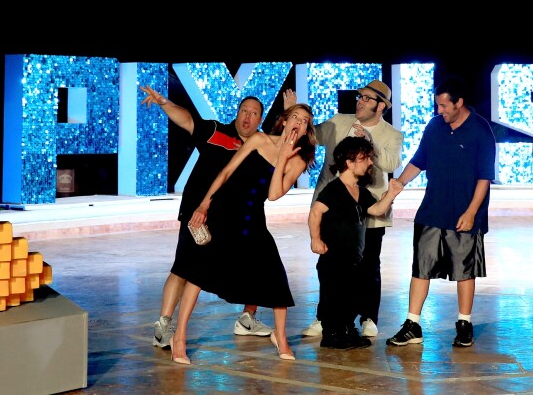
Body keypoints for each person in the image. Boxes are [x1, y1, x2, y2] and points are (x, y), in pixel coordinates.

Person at [169, 104, 317, 364]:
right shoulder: (259, 139)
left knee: (275, 278)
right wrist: (204, 204)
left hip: (252, 220)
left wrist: (282, 157)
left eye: (304, 121)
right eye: (294, 116)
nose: (298, 122)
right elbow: (225, 172)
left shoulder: (299, 158)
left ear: (306, 130)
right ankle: (178, 338)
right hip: (223, 212)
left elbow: (272, 195)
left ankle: (280, 338)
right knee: (197, 273)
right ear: (283, 121)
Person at [139, 86, 274, 351]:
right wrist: (164, 102)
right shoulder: (216, 132)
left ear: (260, 119)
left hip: (237, 217)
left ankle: (248, 318)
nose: (247, 117)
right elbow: (187, 119)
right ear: (236, 114)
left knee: (257, 262)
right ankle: (164, 325)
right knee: (184, 268)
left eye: (254, 113)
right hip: (199, 214)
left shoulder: (262, 145)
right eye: (243, 111)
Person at [385, 75, 497, 348]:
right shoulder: (434, 127)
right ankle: (412, 324)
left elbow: (485, 177)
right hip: (432, 210)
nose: (439, 111)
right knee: (420, 267)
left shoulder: (481, 131)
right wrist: (399, 182)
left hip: (464, 214)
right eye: (437, 105)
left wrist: (471, 212)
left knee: (464, 269)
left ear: (459, 102)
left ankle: (464, 323)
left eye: (444, 106)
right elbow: (419, 160)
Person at [288, 81, 404, 339]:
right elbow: (312, 136)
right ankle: (324, 318)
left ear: (381, 106)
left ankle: (368, 317)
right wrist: (293, 114)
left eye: (367, 98)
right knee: (330, 265)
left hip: (370, 209)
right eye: (359, 96)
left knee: (369, 265)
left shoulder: (391, 134)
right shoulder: (340, 121)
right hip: (333, 211)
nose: (360, 101)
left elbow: (391, 163)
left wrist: (368, 140)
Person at [309, 136, 404, 349]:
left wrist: (391, 194)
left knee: (350, 295)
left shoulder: (360, 192)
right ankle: (332, 334)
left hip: (352, 257)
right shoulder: (333, 190)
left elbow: (377, 210)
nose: (370, 162)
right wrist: (316, 239)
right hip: (333, 256)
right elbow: (316, 212)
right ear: (349, 163)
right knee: (333, 296)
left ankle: (347, 329)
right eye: (365, 158)